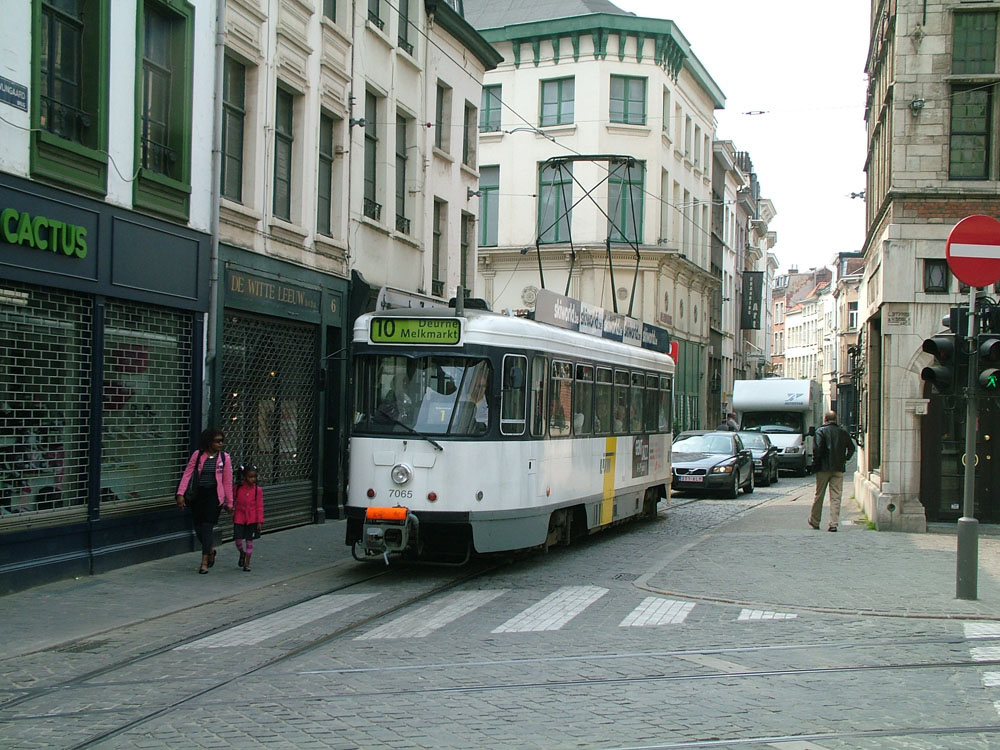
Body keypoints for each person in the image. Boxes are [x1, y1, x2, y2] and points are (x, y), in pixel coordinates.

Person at [176, 428, 234, 573]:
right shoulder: (198, 455)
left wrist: (229, 502)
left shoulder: (224, 458)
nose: (220, 444)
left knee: (207, 527)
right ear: (209, 442)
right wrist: (180, 493)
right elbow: (187, 474)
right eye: (217, 441)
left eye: (222, 441)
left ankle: (203, 563)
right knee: (198, 528)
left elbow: (227, 481)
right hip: (198, 495)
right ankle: (210, 550)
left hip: (214, 496)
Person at [809, 410, 856, 532]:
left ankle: (815, 521)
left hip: (823, 468)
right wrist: (845, 459)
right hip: (838, 468)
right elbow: (851, 448)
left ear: (825, 419)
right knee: (836, 496)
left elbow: (817, 450)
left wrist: (815, 464)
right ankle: (833, 523)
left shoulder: (820, 431)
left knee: (819, 495)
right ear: (836, 419)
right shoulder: (842, 432)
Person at [232, 464, 264, 572]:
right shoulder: (237, 488)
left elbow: (259, 506)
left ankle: (247, 563)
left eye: (254, 477)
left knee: (249, 541)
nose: (253, 479)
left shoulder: (257, 490)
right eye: (250, 477)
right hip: (239, 517)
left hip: (252, 519)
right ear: (245, 477)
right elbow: (232, 500)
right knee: (238, 540)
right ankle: (242, 553)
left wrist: (259, 521)